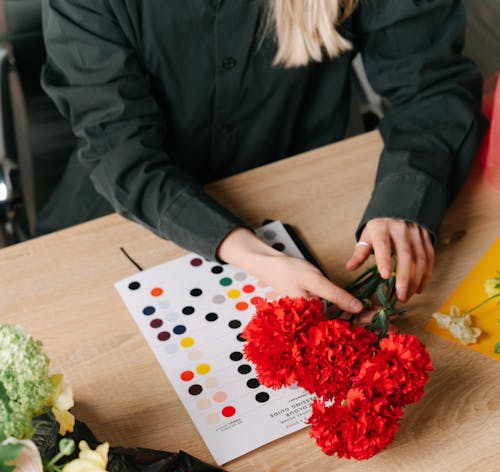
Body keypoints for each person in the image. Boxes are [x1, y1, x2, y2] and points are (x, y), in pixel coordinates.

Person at [40, 0, 484, 313]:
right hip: (120, 215)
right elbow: (118, 143)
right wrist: (254, 255)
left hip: (299, 198)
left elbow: (430, 86)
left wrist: (407, 197)